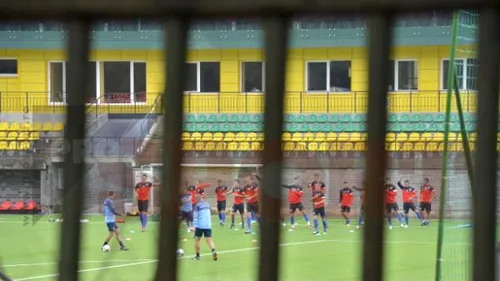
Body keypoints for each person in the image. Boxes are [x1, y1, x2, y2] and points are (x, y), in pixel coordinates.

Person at [192, 189, 217, 261]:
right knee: (209, 240)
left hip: (200, 225)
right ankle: (214, 252)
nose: (196, 195)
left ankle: (197, 256)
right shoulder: (208, 204)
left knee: (197, 240)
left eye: (197, 194)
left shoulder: (197, 205)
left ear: (200, 195)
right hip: (208, 225)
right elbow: (209, 214)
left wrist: (194, 226)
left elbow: (195, 217)